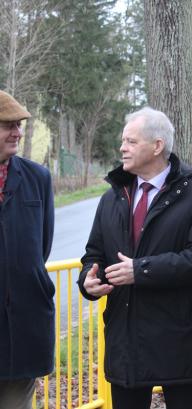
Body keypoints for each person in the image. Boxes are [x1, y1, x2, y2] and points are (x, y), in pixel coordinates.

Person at [78, 106, 192, 409]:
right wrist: (88, 280)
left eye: (131, 141)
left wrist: (140, 271)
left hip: (179, 342)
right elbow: (94, 254)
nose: (122, 148)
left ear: (157, 146)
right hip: (126, 342)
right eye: (123, 141)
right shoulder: (112, 197)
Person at [0, 90, 55, 409]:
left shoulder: (38, 178)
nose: (17, 133)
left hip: (23, 329)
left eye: (18, 125)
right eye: (8, 125)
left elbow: (41, 248)